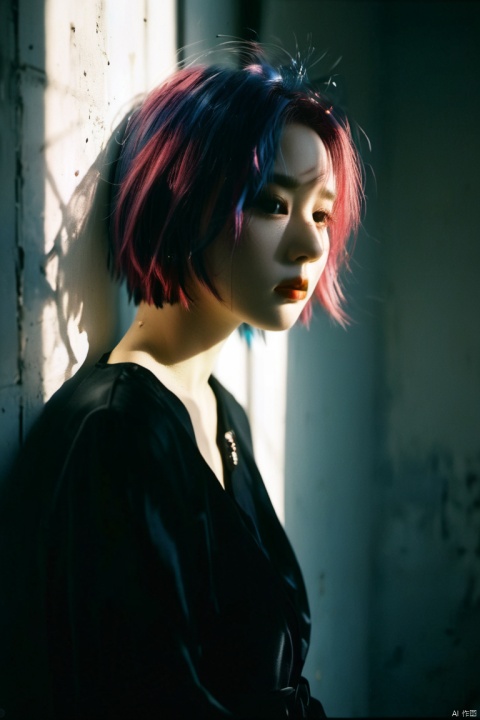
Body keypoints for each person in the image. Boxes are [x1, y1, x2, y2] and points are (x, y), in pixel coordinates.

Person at [0, 46, 363, 719]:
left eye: (320, 214)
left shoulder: (221, 413)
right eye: (272, 204)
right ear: (186, 197)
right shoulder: (117, 433)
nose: (311, 247)